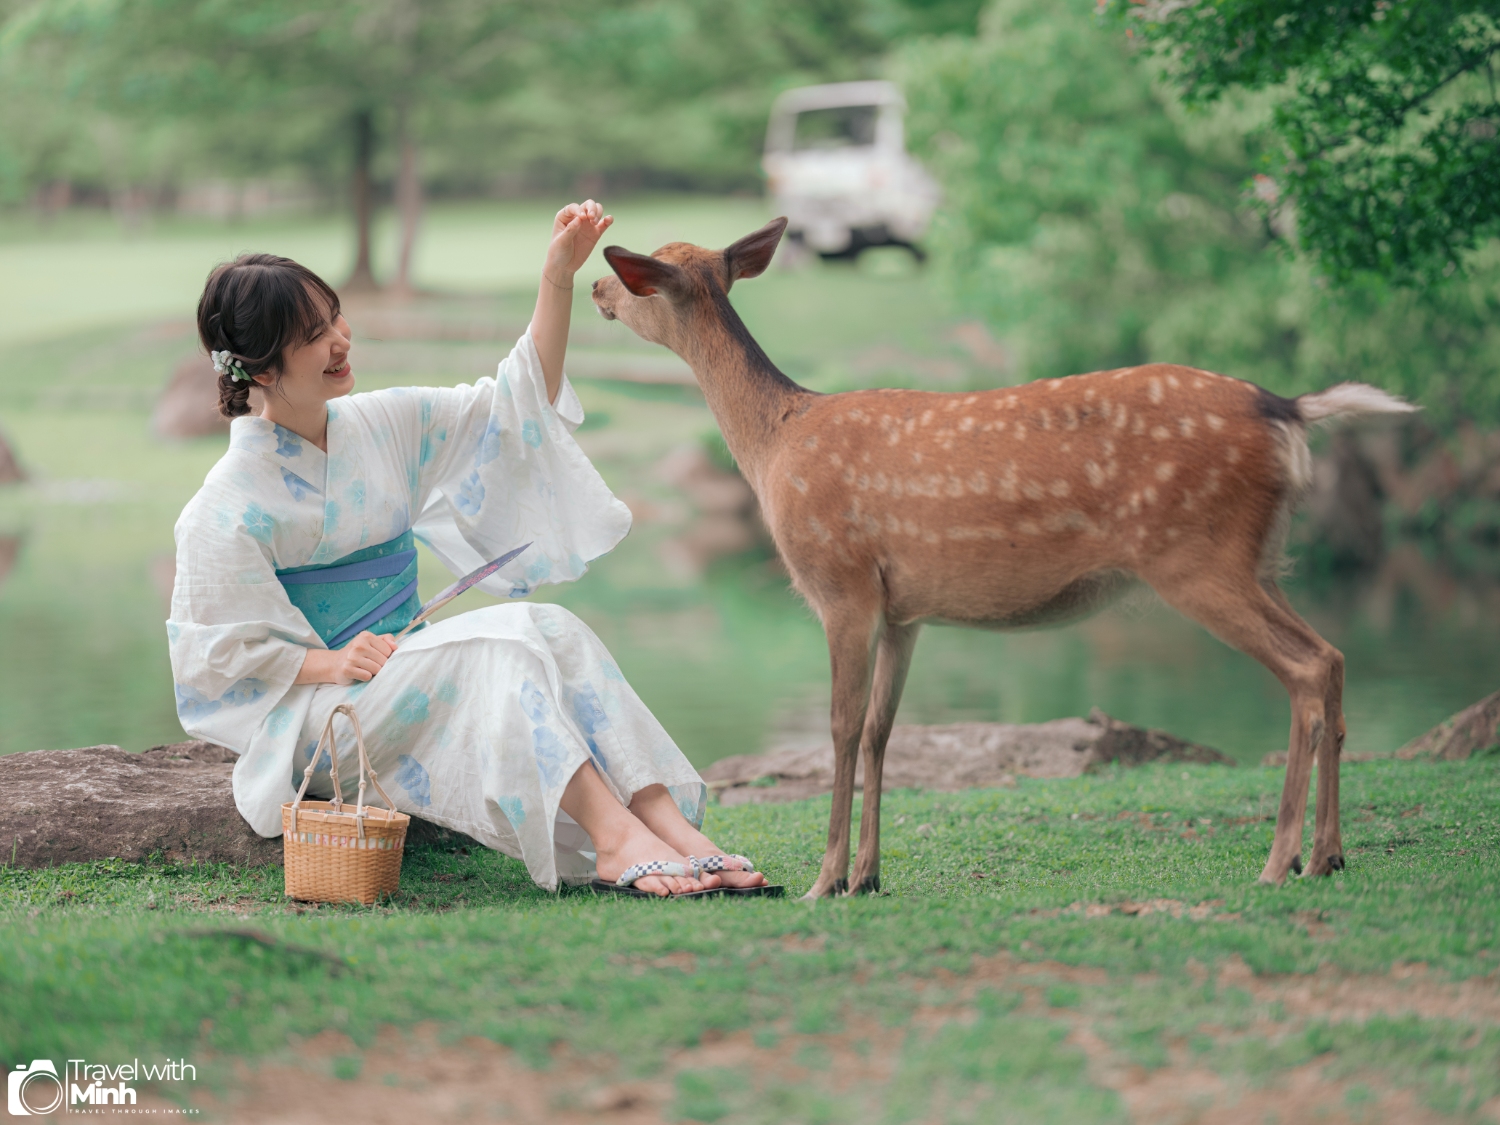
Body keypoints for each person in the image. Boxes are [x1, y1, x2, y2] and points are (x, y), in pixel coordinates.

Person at [168, 200, 768, 897]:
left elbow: (514, 403)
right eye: (313, 334)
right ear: (261, 368)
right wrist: (329, 659)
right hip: (324, 721)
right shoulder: (223, 503)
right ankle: (614, 840)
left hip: (405, 670)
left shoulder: (381, 423)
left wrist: (557, 278)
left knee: (552, 627)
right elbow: (214, 658)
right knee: (498, 648)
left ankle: (673, 829)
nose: (341, 339)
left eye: (334, 317)